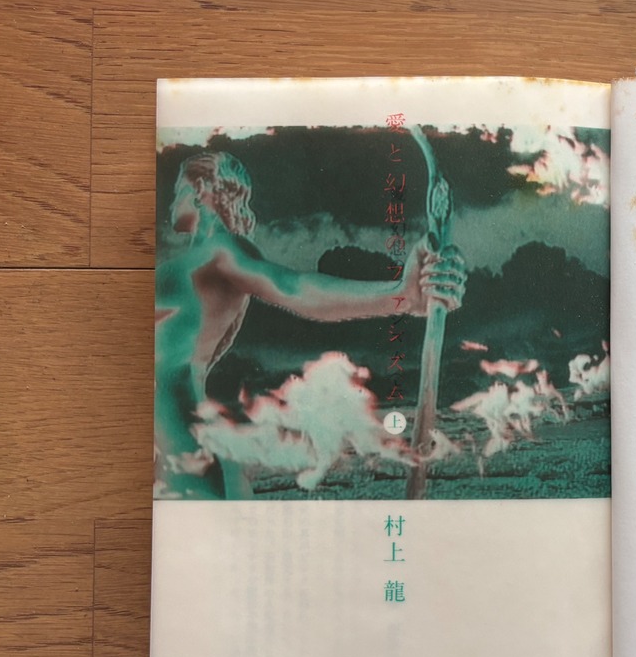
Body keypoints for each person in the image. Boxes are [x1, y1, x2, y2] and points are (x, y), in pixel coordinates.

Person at [154, 151, 465, 499]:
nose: (172, 201)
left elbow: (294, 287)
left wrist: (400, 295)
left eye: (179, 190)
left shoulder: (220, 251)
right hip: (182, 428)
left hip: (172, 431)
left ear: (201, 189)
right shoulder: (203, 261)